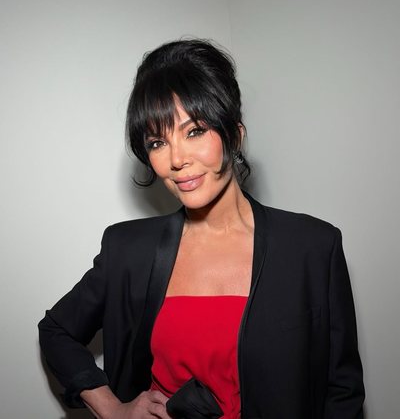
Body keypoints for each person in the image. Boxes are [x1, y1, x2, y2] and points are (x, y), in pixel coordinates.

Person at [38, 39, 365, 419]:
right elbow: (56, 330)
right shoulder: (127, 250)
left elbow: (342, 394)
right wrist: (111, 408)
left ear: (234, 134)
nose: (177, 159)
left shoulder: (312, 247)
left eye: (194, 131)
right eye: (158, 142)